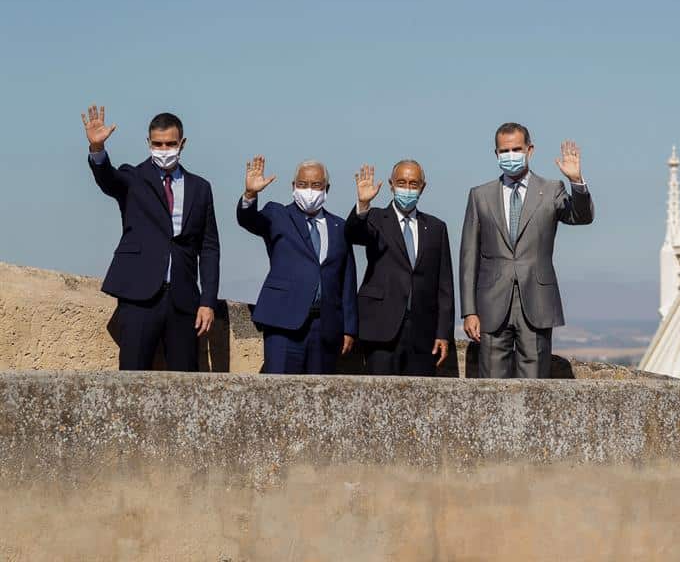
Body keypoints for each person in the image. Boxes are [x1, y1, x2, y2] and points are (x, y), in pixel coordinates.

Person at [81, 105, 220, 371]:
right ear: (148, 143)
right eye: (157, 144)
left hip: (184, 300)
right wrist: (97, 149)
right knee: (132, 377)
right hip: (139, 296)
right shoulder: (133, 178)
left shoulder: (200, 188)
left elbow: (209, 247)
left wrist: (207, 301)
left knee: (185, 384)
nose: (164, 149)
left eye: (170, 144)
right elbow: (107, 179)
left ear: (182, 144)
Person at [460, 122, 594, 378]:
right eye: (504, 150)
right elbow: (468, 256)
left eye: (516, 149)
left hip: (537, 303)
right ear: (496, 154)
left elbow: (581, 216)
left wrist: (576, 181)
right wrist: (469, 310)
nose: (510, 155)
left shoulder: (552, 190)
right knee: (491, 388)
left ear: (530, 150)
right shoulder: (480, 195)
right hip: (491, 305)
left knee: (534, 387)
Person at [237, 156, 358, 374]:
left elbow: (347, 279)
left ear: (326, 188)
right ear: (294, 187)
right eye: (302, 185)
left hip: (325, 326)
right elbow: (249, 219)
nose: (308, 190)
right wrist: (250, 194)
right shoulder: (277, 215)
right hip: (283, 322)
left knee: (320, 398)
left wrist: (349, 328)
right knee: (279, 393)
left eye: (315, 185)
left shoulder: (339, 226)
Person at [345, 160, 454, 376]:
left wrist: (443, 333)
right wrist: (363, 204)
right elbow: (353, 234)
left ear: (422, 187)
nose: (407, 188)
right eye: (402, 182)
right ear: (391, 185)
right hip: (381, 327)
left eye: (413, 184)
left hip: (422, 331)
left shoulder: (435, 228)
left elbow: (444, 285)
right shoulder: (375, 218)